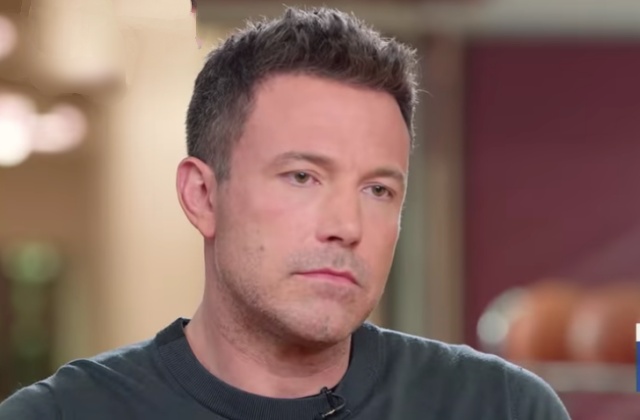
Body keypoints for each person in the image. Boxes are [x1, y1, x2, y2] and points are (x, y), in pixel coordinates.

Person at [0, 6, 571, 420]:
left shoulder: (499, 407)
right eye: (302, 177)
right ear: (202, 196)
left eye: (377, 190)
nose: (346, 227)